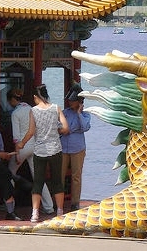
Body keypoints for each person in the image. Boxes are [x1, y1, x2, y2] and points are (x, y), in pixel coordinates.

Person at [15, 84, 69, 223]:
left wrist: (22, 143)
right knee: (57, 181)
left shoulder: (33, 111)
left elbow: (31, 132)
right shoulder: (55, 108)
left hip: (40, 151)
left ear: (35, 97)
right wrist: (55, 132)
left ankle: (35, 214)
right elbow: (65, 128)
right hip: (55, 149)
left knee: (38, 182)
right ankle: (60, 211)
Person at [6, 88, 55, 214]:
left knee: (9, 173)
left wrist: (17, 153)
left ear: (12, 100)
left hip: (22, 147)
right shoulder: (31, 109)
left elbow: (16, 136)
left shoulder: (15, 113)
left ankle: (9, 203)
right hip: (35, 146)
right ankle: (49, 207)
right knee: (39, 178)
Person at [60, 83, 91, 211]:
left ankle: (75, 202)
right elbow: (59, 127)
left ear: (79, 102)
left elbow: (85, 127)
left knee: (76, 176)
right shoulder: (64, 112)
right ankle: (59, 201)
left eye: (73, 101)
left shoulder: (85, 114)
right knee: (60, 175)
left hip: (77, 147)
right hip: (63, 147)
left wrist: (79, 113)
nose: (70, 102)